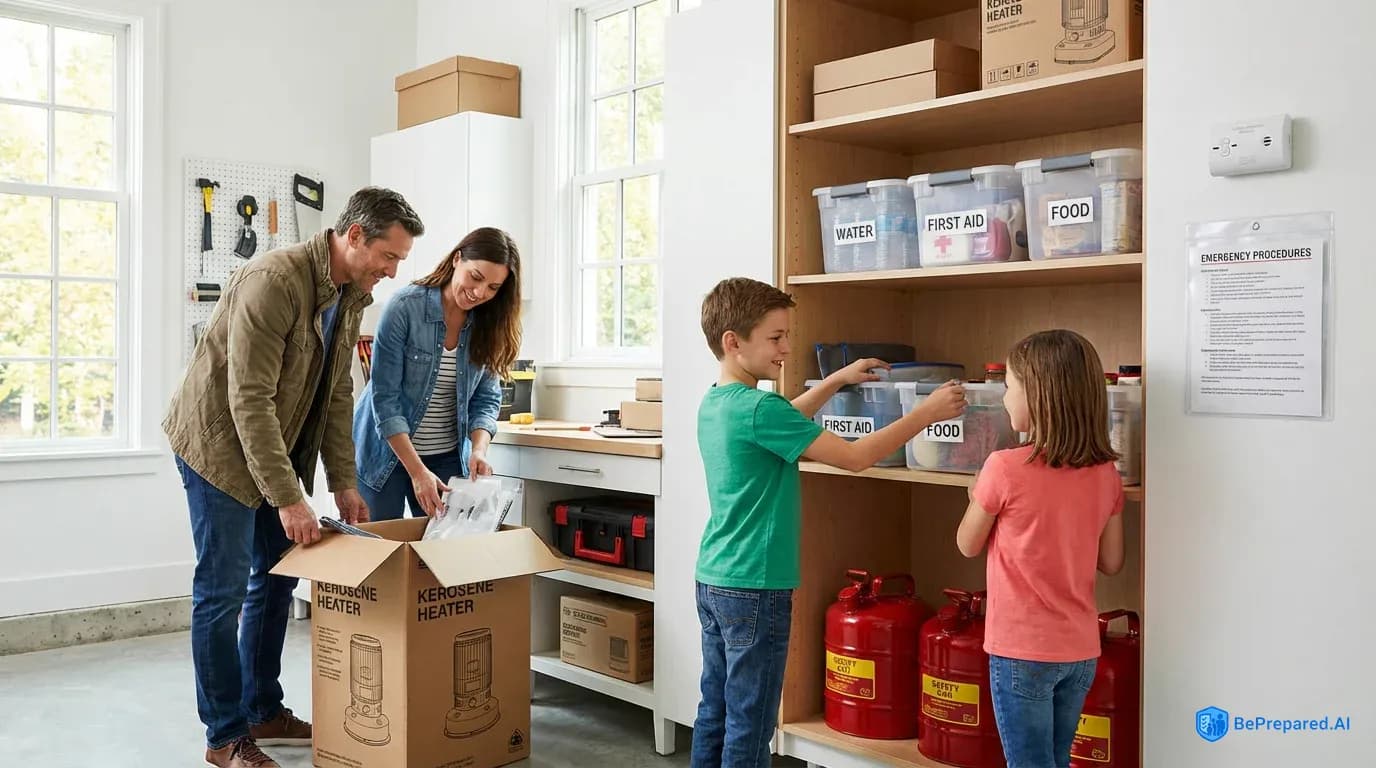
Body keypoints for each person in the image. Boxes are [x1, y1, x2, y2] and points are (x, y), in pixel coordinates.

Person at [163, 187, 424, 768]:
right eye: (389, 256)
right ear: (353, 236)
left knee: (278, 577)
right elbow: (248, 401)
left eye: (399, 261)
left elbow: (334, 396)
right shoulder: (273, 281)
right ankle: (225, 736)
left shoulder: (352, 294)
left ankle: (262, 707)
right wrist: (289, 498)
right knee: (222, 592)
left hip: (271, 446)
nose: (393, 271)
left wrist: (344, 483)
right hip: (219, 449)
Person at [691, 277, 967, 767]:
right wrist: (925, 412)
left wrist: (835, 381)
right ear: (734, 342)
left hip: (715, 578)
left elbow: (784, 423)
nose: (785, 348)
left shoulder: (718, 402)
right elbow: (857, 457)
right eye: (775, 337)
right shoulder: (761, 408)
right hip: (757, 585)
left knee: (716, 708)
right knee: (750, 723)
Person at [956, 329, 1126, 768]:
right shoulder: (1107, 472)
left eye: (1009, 388)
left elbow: (966, 543)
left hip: (1021, 653)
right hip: (1080, 651)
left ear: (1039, 395)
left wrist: (978, 496)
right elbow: (1111, 561)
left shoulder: (1004, 468)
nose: (1003, 399)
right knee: (1056, 759)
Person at [353, 227, 522, 520]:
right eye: (476, 277)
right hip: (385, 454)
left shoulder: (489, 323)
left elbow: (486, 399)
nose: (480, 293)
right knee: (381, 553)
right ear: (457, 259)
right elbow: (385, 401)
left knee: (442, 555)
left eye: (493, 288)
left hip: (446, 456)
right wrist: (418, 472)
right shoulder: (404, 308)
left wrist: (478, 450)